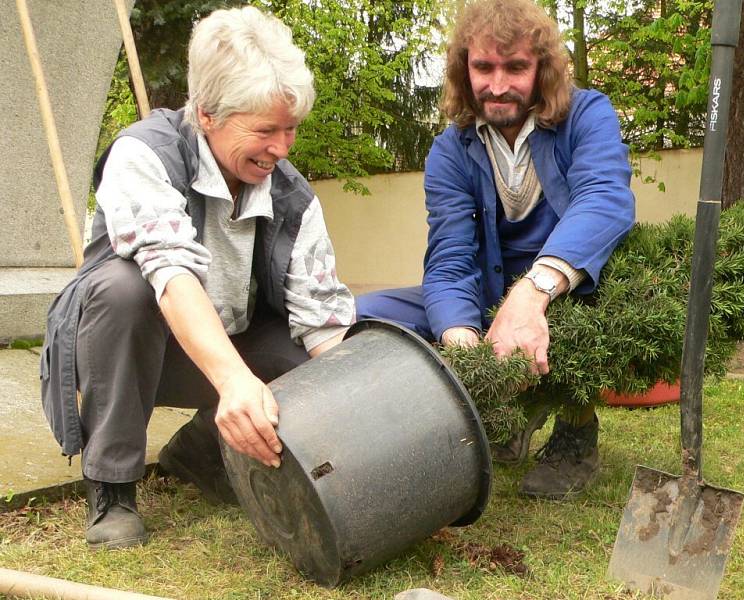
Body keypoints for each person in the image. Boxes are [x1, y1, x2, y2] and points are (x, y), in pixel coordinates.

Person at [40, 6, 355, 549]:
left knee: (298, 360)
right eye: (265, 130)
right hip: (124, 346)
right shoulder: (144, 153)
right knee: (126, 288)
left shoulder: (292, 196)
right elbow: (171, 275)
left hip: (219, 346)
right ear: (207, 114)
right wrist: (235, 384)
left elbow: (323, 321)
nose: (282, 148)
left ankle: (203, 453)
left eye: (291, 129)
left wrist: (363, 404)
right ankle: (112, 488)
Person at [358, 0, 635, 499]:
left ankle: (576, 432)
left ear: (543, 68)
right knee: (364, 316)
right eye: (483, 67)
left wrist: (532, 294)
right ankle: (504, 413)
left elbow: (606, 199)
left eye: (516, 67)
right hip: (488, 293)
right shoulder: (451, 149)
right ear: (464, 70)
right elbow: (449, 256)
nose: (498, 84)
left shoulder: (587, 116)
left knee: (574, 320)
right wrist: (462, 341)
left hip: (569, 287)